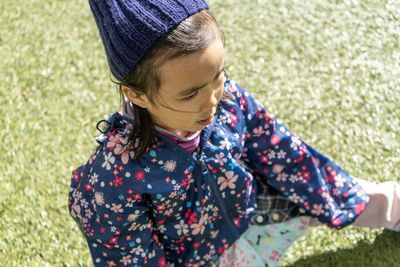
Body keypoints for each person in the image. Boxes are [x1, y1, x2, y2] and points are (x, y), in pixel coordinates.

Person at [68, 1, 400, 266]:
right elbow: (130, 256)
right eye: (189, 93)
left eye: (218, 75)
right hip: (195, 257)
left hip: (252, 206)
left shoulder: (229, 99)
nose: (212, 99)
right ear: (136, 95)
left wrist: (336, 199)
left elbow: (285, 153)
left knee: (338, 191)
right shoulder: (118, 171)